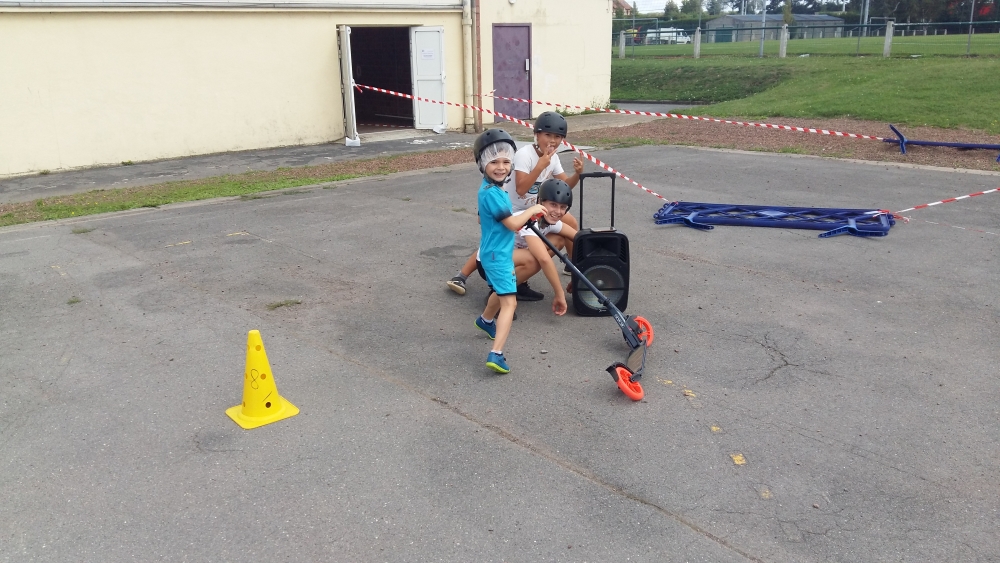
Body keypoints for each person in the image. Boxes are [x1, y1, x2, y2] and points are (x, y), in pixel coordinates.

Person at [446, 111, 584, 299]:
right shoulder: (525, 155)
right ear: (536, 135)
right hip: (511, 207)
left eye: (558, 137)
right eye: (548, 135)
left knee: (569, 223)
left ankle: (572, 268)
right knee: (498, 241)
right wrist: (540, 166)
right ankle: (463, 276)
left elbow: (564, 187)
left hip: (531, 207)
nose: (552, 140)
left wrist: (577, 174)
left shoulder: (553, 157)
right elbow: (521, 189)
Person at [471, 129, 547, 374]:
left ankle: (485, 320)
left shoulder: (490, 189)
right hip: (498, 256)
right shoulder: (493, 194)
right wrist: (530, 211)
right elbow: (513, 224)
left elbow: (487, 219)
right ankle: (496, 353)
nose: (501, 167)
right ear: (482, 164)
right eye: (494, 162)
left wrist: (521, 217)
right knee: (510, 303)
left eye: (506, 162)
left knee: (503, 289)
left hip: (495, 253)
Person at [510, 178, 577, 317]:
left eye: (563, 207)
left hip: (510, 258)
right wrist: (559, 293)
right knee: (536, 261)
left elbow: (579, 238)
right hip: (491, 263)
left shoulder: (549, 221)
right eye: (553, 204)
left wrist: (579, 276)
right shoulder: (530, 220)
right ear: (540, 202)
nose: (558, 211)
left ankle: (517, 284)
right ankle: (498, 293)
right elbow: (544, 259)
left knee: (559, 240)